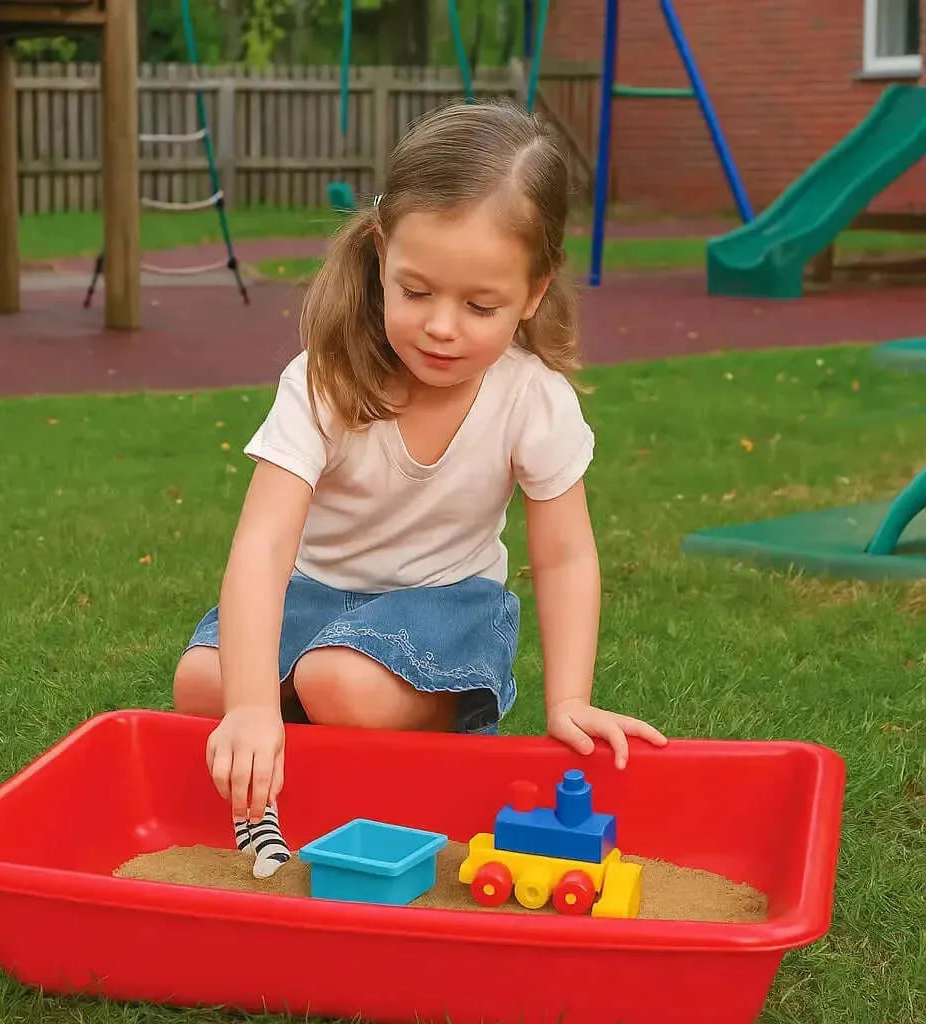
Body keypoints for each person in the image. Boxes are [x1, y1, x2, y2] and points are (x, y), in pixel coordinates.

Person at [172, 99, 667, 878]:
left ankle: (437, 726)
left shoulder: (532, 400)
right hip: (317, 593)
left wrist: (568, 700)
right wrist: (248, 707)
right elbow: (264, 545)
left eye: (480, 306)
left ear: (534, 292)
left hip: (445, 607)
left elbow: (567, 557)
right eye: (417, 291)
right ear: (380, 253)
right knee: (203, 683)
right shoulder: (323, 382)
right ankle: (297, 739)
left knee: (337, 682)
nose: (442, 327)